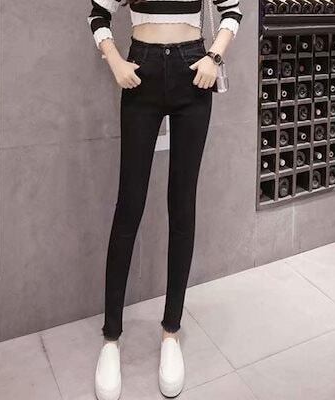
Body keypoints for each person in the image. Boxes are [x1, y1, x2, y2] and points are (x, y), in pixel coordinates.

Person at [87, 0, 243, 398]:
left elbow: (232, 11)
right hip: (142, 70)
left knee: (183, 206)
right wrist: (115, 61)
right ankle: (111, 337)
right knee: (129, 206)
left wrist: (214, 56)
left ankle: (171, 332)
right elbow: (98, 14)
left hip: (194, 72)